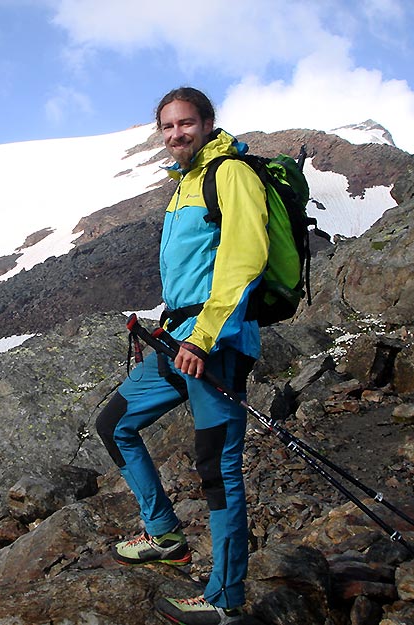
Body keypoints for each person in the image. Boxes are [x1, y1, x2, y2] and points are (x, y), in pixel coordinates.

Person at [95, 87, 269, 625]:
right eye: (167, 127)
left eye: (185, 124)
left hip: (213, 346)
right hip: (178, 340)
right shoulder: (185, 183)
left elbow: (246, 258)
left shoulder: (229, 174)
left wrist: (204, 336)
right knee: (114, 424)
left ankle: (226, 601)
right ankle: (166, 534)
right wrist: (173, 327)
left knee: (218, 469)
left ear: (208, 122)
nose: (176, 135)